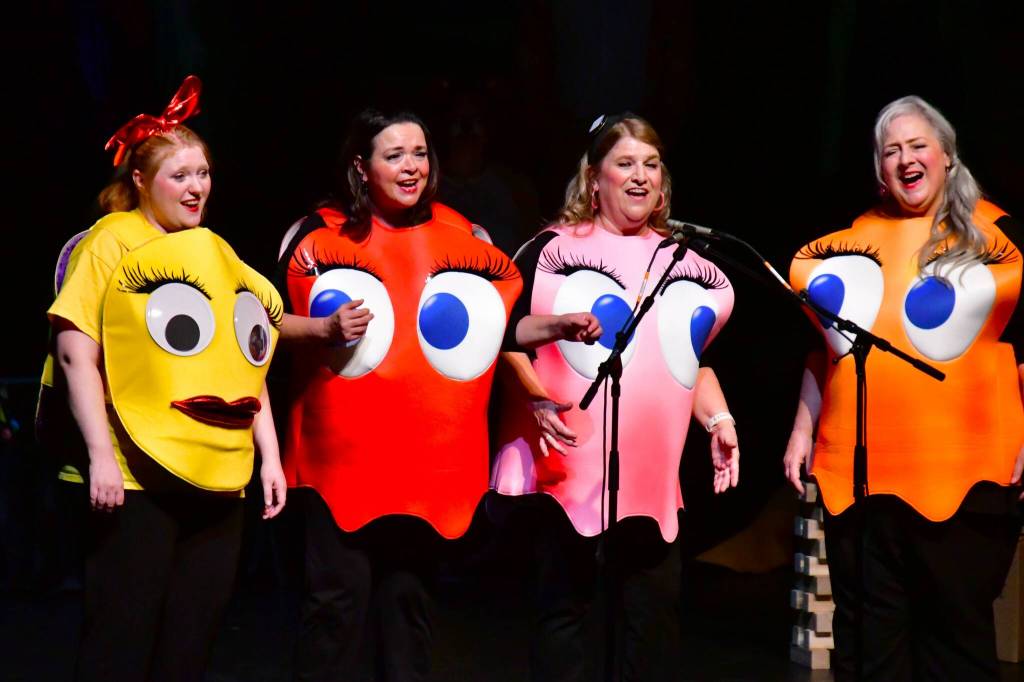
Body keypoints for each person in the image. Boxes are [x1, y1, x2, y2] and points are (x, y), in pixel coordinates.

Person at [277, 108, 599, 682]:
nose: (411, 167)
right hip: (339, 467)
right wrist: (325, 328)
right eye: (394, 155)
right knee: (335, 613)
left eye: (420, 154)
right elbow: (267, 323)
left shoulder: (463, 235)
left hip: (426, 466)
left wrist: (558, 326)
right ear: (361, 166)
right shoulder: (317, 233)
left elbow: (496, 329)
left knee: (410, 613)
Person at [43, 76, 286, 682]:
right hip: (134, 478)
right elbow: (75, 353)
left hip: (215, 475)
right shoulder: (112, 241)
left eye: (203, 173)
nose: (196, 186)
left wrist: (270, 457)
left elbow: (245, 359)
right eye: (180, 175)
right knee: (120, 640)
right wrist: (100, 456)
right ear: (141, 180)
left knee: (191, 642)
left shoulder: (214, 252)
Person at [490, 112, 741, 682]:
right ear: (593, 178)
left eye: (651, 165)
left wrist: (719, 419)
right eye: (625, 163)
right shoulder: (550, 250)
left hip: (651, 481)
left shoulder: (684, 261)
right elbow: (502, 337)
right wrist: (536, 399)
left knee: (651, 625)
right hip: (568, 472)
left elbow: (690, 362)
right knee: (565, 622)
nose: (640, 176)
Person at [783, 95, 1024, 681]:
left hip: (967, 479)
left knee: (955, 649)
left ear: (947, 155)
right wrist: (802, 429)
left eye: (918, 145)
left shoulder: (1000, 237)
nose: (905, 159)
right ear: (878, 169)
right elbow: (824, 348)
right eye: (891, 151)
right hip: (860, 482)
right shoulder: (849, 243)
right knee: (869, 651)